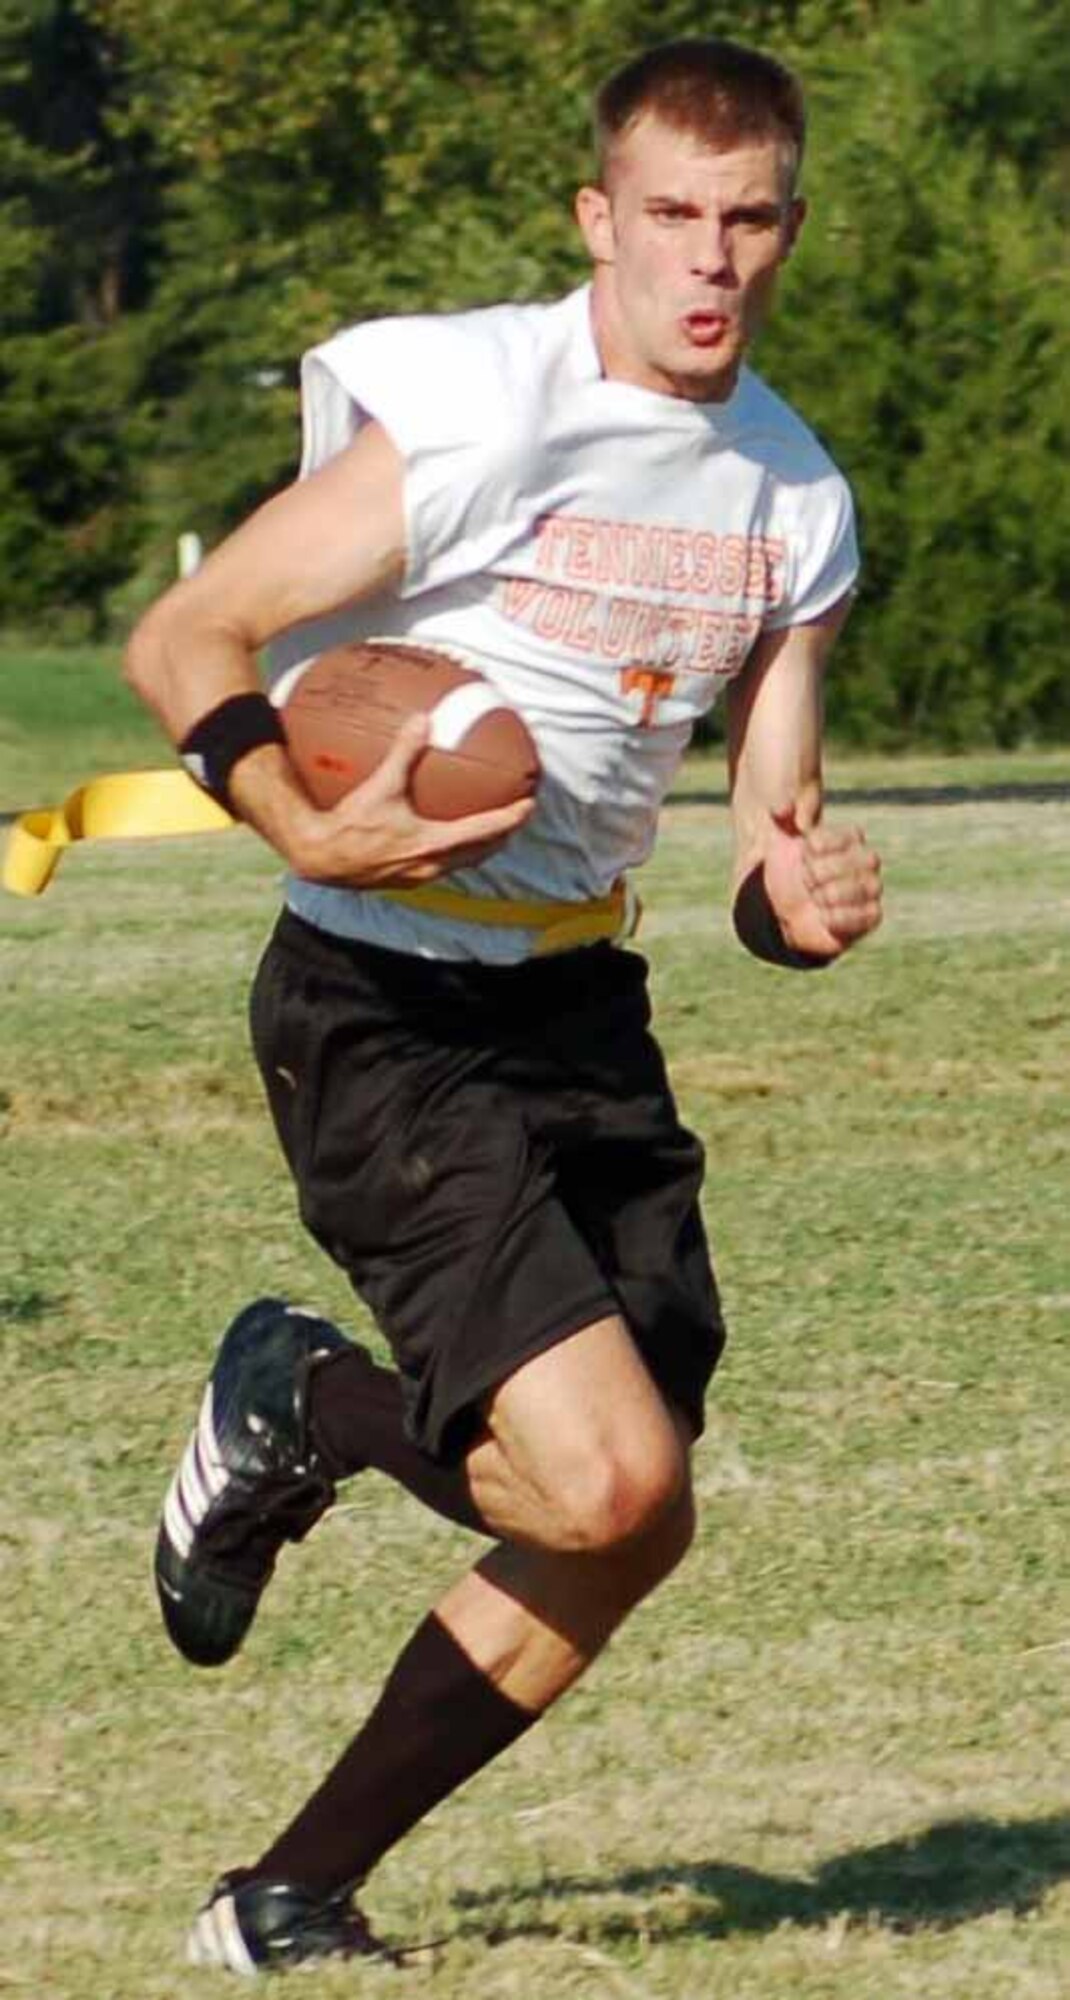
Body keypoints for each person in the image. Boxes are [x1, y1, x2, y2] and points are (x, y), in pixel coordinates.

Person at [126, 34, 883, 1975]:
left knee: (627, 1519)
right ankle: (305, 1397)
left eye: (746, 219)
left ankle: (281, 1898)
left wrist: (796, 901)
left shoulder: (793, 498)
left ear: (788, 230)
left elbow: (765, 826)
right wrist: (296, 811)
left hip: (579, 1013)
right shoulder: (476, 411)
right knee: (607, 1476)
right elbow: (187, 633)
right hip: (378, 1002)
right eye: (669, 214)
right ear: (595, 221)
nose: (708, 257)